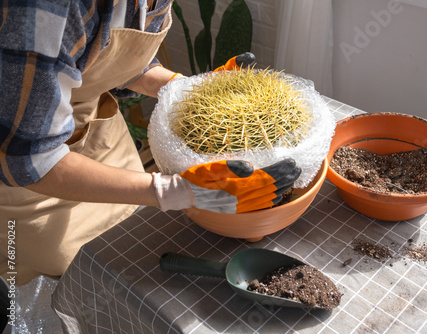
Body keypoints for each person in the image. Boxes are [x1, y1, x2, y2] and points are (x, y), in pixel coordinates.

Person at [0, 0, 300, 286]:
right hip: (27, 180)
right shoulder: (46, 8)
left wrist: (183, 88)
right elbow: (30, 159)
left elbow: (108, 59)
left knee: (137, 232)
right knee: (88, 273)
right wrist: (175, 191)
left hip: (95, 129)